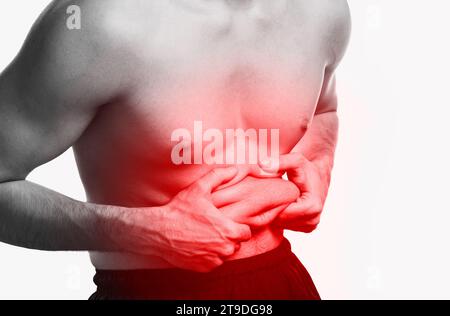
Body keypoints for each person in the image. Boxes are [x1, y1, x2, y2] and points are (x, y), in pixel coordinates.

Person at [0, 0, 351, 299]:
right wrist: (145, 231)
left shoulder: (320, 11)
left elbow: (324, 109)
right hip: (148, 289)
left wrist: (319, 161)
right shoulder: (96, 23)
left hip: (284, 282)